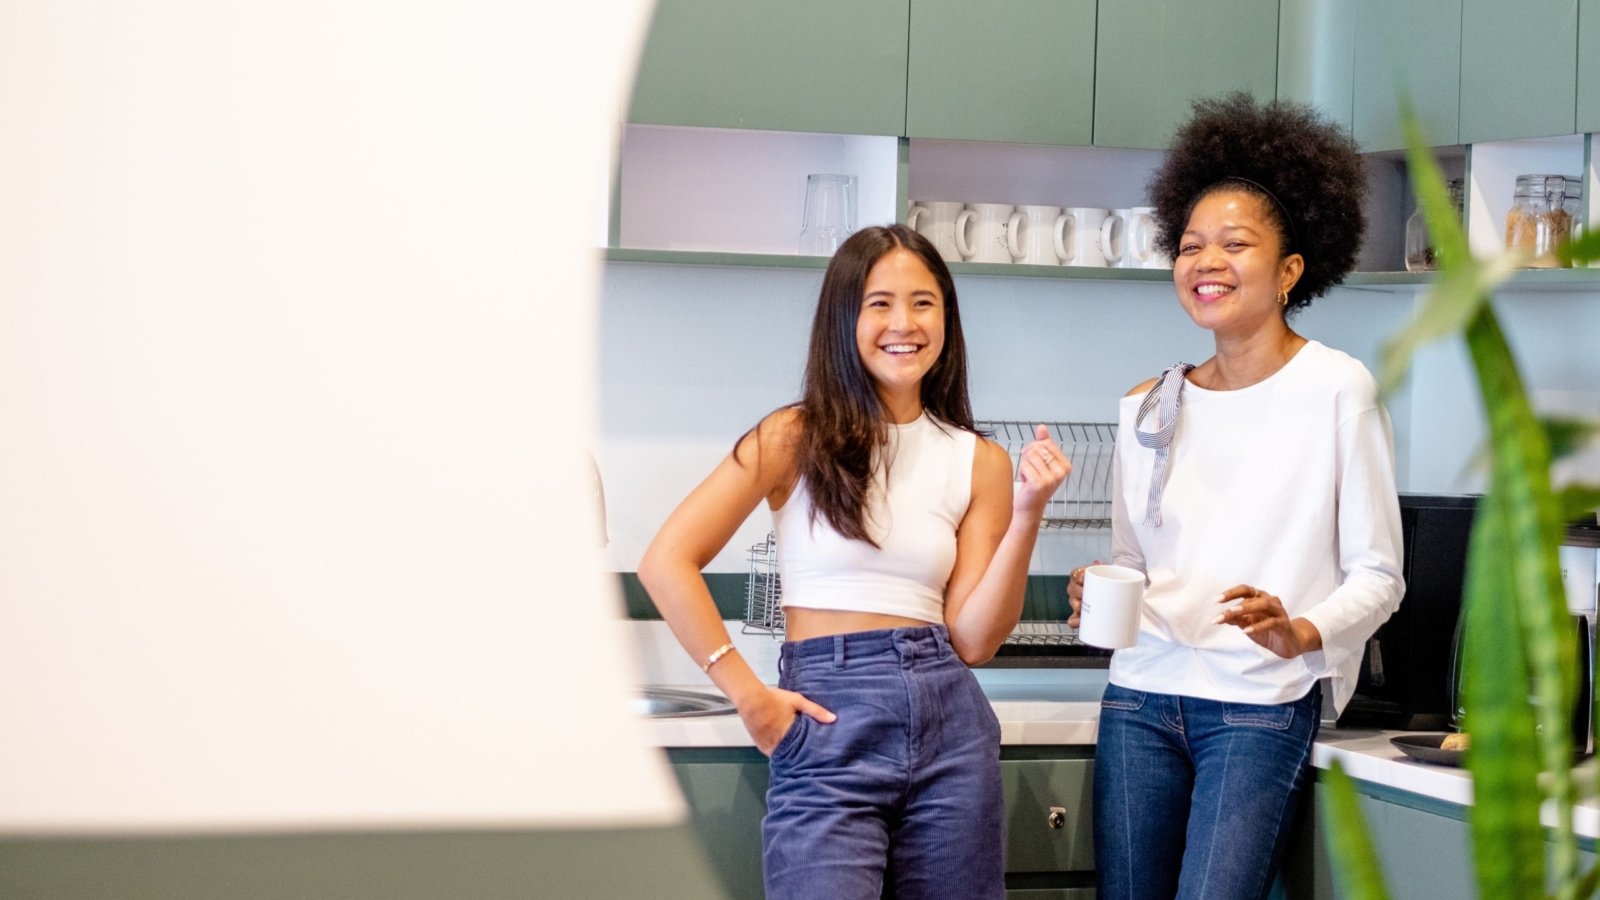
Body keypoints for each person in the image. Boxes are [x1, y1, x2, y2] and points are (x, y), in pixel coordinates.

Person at [639, 223, 1069, 900]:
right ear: (846, 318)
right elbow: (666, 561)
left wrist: (1028, 513)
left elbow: (975, 639)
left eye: (924, 303)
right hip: (827, 714)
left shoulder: (978, 460)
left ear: (947, 319)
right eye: (880, 303)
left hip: (949, 719)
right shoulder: (793, 435)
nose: (905, 323)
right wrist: (747, 697)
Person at [1067, 93, 1406, 900]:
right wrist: (1096, 587)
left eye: (1234, 244)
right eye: (1189, 246)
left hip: (1256, 707)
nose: (1204, 261)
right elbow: (1130, 558)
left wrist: (1301, 631)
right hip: (1140, 698)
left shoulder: (1337, 388)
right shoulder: (1149, 403)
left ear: (1291, 269)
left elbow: (1379, 574)